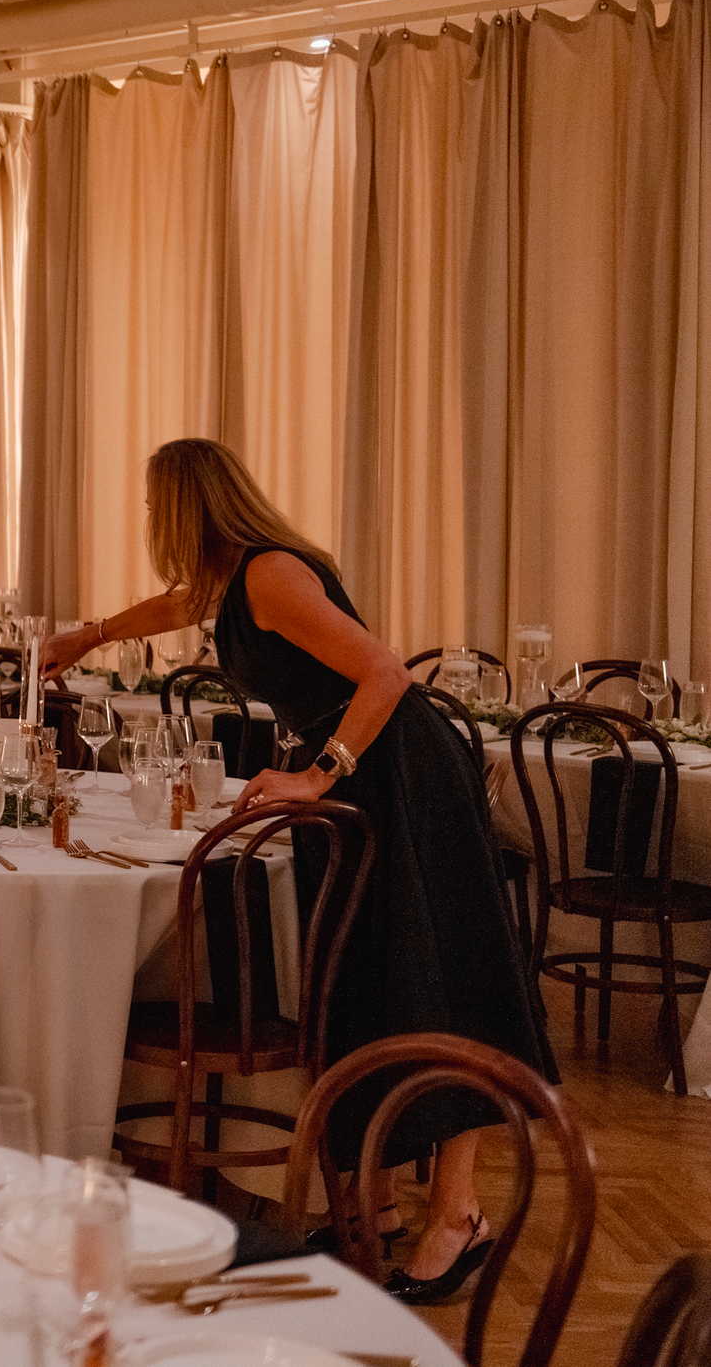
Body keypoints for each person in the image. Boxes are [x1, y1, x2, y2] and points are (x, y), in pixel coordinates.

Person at [41, 439, 551, 1306]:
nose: (145, 521)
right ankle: (382, 1200)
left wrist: (321, 771)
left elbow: (385, 671)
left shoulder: (272, 575)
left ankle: (458, 1213)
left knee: (434, 986)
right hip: (364, 784)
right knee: (365, 985)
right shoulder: (236, 578)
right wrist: (86, 636)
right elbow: (173, 607)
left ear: (183, 508)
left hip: (400, 777)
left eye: (152, 505)